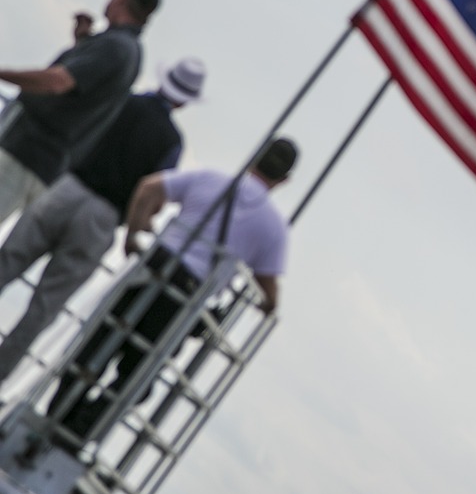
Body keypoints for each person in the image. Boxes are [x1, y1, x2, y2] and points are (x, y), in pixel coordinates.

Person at [51, 137, 296, 440]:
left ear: (256, 155)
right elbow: (267, 282)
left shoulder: (210, 179)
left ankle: (57, 413)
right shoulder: (274, 228)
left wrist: (133, 234)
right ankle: (79, 430)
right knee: (137, 375)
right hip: (185, 300)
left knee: (97, 344)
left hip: (154, 269)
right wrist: (269, 305)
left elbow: (149, 187)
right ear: (284, 180)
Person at [0, 58, 207, 383]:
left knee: (6, 263)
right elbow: (153, 193)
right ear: (184, 101)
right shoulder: (171, 142)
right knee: (43, 308)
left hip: (67, 188)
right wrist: (135, 230)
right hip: (104, 217)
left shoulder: (124, 101)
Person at [0, 0, 159, 223]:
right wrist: (83, 44)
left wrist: (3, 73)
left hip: (27, 151)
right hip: (45, 161)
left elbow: (58, 82)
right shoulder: (129, 51)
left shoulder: (115, 46)